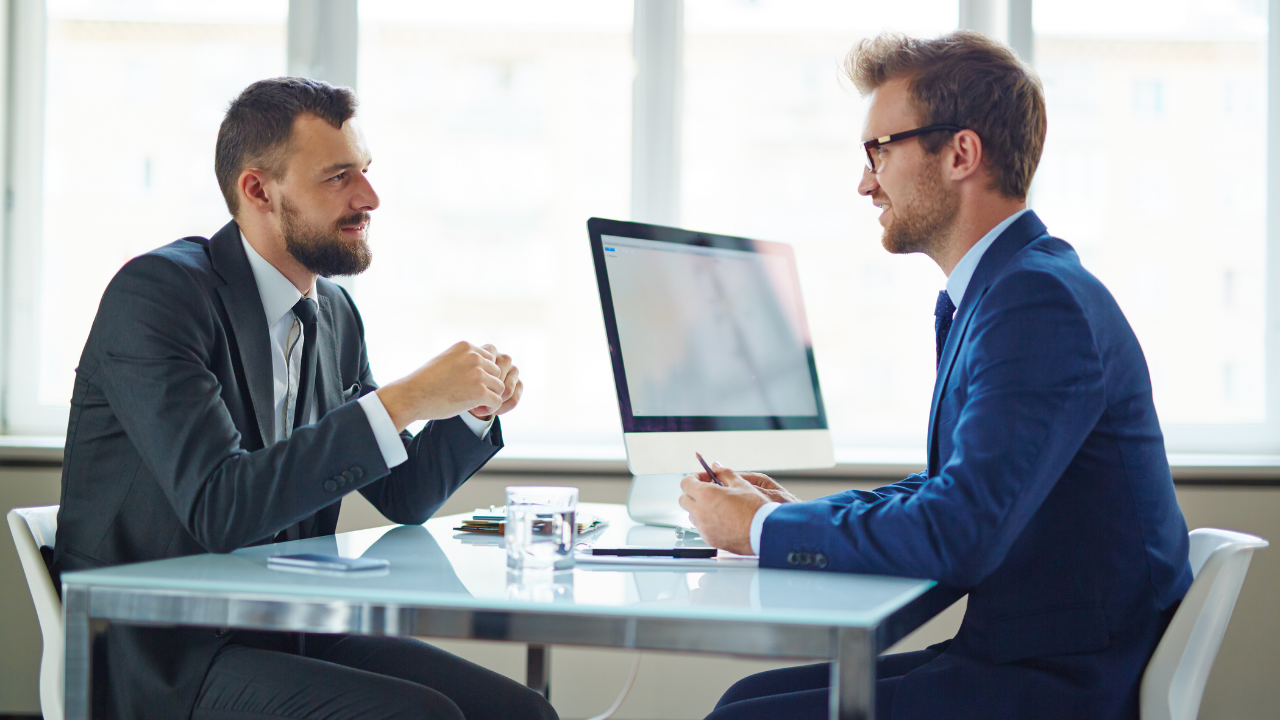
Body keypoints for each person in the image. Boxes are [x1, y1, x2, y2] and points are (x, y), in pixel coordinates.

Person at [679, 31, 1192, 720]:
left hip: (1062, 686)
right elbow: (955, 492)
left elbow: (961, 532)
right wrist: (787, 514)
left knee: (745, 717)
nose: (865, 181)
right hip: (1029, 658)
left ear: (960, 154)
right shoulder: (1003, 291)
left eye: (879, 151)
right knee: (747, 700)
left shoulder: (1036, 302)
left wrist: (764, 530)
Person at [50, 77, 556, 720]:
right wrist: (404, 399)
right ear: (258, 190)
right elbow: (219, 507)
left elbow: (405, 495)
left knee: (521, 714)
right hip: (164, 654)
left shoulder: (335, 315)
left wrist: (469, 411)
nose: (370, 197)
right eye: (339, 177)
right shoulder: (159, 295)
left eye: (366, 171)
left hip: (285, 626)